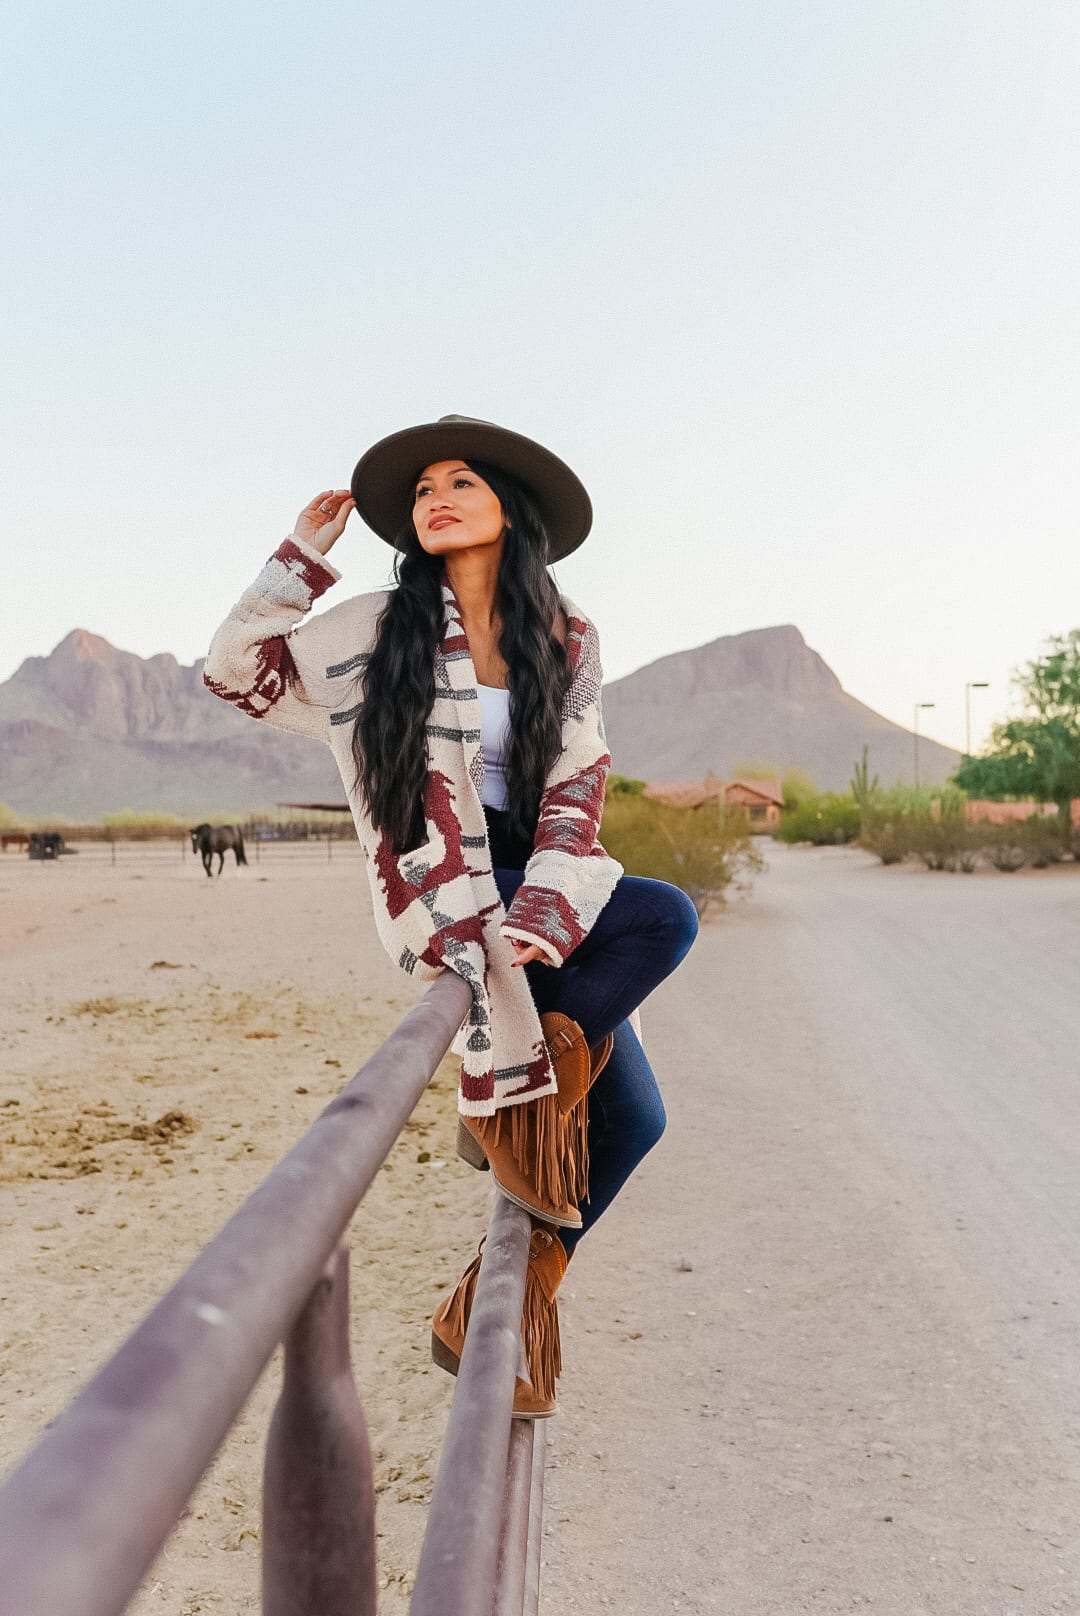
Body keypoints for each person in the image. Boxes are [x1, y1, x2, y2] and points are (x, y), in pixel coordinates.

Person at [203, 414, 698, 1416]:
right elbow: (232, 672)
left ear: (508, 511)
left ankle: (494, 1296)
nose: (435, 496)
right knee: (663, 922)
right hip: (446, 880)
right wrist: (300, 556)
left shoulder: (567, 634)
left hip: (539, 882)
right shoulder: (371, 632)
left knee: (638, 1108)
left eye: (460, 481)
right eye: (424, 487)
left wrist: (552, 910)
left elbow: (577, 777)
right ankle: (526, 1083)